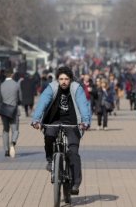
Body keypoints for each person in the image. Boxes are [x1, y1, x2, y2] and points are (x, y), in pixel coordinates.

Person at [31, 66, 91, 195]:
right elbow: (42, 102)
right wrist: (36, 119)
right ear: (57, 79)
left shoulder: (76, 88)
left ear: (70, 79)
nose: (63, 81)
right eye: (61, 79)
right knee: (49, 136)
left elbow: (83, 105)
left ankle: (75, 183)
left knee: (73, 151)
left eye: (66, 79)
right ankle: (50, 160)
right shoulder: (51, 88)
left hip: (73, 123)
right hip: (53, 120)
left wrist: (85, 122)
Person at [0, 69, 21, 157]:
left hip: (4, 111)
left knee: (5, 130)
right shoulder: (16, 85)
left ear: (5, 75)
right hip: (14, 111)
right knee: (15, 130)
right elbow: (20, 97)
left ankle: (6, 150)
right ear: (12, 75)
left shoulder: (0, 86)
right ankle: (13, 142)